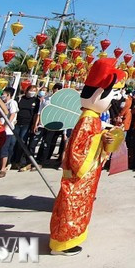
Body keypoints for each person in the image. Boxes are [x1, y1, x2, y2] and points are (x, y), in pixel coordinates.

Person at [49, 59, 125, 256]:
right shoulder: (88, 119)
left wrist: (103, 137)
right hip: (80, 174)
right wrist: (101, 138)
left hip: (87, 175)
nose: (112, 103)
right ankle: (62, 243)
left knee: (78, 207)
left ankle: (69, 239)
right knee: (70, 207)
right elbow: (77, 150)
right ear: (99, 95)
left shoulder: (92, 118)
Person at [13, 85, 41, 171]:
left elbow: (36, 113)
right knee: (14, 142)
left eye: (34, 90)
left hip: (27, 124)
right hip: (17, 123)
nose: (32, 92)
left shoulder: (36, 101)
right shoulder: (20, 99)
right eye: (31, 90)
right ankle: (13, 160)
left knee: (22, 141)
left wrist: (34, 124)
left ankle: (20, 161)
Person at [0, 87, 18, 178]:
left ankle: (3, 169)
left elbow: (12, 114)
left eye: (4, 94)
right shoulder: (2, 103)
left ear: (9, 95)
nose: (2, 95)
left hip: (7, 131)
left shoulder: (12, 103)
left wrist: (6, 125)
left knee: (4, 150)